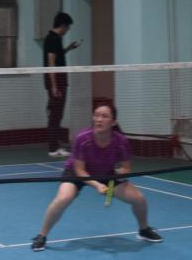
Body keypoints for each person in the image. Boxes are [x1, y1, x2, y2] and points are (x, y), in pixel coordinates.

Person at [31, 103, 161, 252]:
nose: (99, 119)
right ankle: (41, 236)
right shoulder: (82, 138)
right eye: (96, 115)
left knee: (139, 199)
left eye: (104, 116)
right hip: (77, 172)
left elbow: (126, 167)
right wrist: (97, 185)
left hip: (107, 173)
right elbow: (80, 171)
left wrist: (120, 175)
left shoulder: (121, 141)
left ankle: (143, 230)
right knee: (63, 198)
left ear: (113, 122)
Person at [43, 12, 81, 158]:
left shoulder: (56, 39)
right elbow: (51, 62)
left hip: (59, 79)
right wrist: (54, 86)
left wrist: (69, 48)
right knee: (55, 114)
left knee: (58, 114)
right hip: (56, 80)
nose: (68, 30)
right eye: (68, 27)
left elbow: (57, 56)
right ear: (63, 25)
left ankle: (56, 146)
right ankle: (52, 148)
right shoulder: (52, 38)